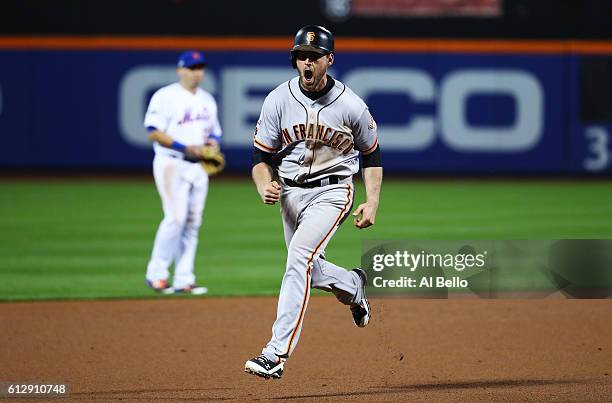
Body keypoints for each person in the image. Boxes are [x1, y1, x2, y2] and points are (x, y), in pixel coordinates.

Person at [244, 25, 383, 379]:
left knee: (299, 259)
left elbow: (371, 154)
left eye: (314, 57)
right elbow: (261, 157)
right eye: (301, 57)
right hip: (289, 193)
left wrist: (372, 201)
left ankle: (275, 354)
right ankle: (353, 285)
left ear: (328, 60)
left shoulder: (351, 105)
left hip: (334, 191)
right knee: (308, 266)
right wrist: (264, 184)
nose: (306, 63)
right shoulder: (278, 99)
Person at [143, 50, 222, 295]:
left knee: (192, 222)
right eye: (191, 67)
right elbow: (153, 131)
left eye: (200, 67)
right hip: (171, 162)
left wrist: (212, 145)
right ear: (180, 70)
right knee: (175, 218)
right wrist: (184, 147)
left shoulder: (207, 99)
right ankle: (156, 275)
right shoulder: (165, 96)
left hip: (197, 167)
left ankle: (184, 278)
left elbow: (214, 133)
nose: (196, 72)